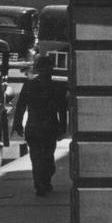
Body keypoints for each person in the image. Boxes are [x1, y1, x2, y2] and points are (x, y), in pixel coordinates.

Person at [12, 50, 69, 197]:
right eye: (43, 69)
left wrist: (63, 127)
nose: (45, 72)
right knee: (40, 157)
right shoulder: (32, 85)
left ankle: (43, 181)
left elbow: (62, 109)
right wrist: (17, 123)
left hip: (45, 127)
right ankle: (40, 184)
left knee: (44, 158)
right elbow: (21, 106)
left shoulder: (56, 87)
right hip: (39, 127)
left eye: (47, 69)